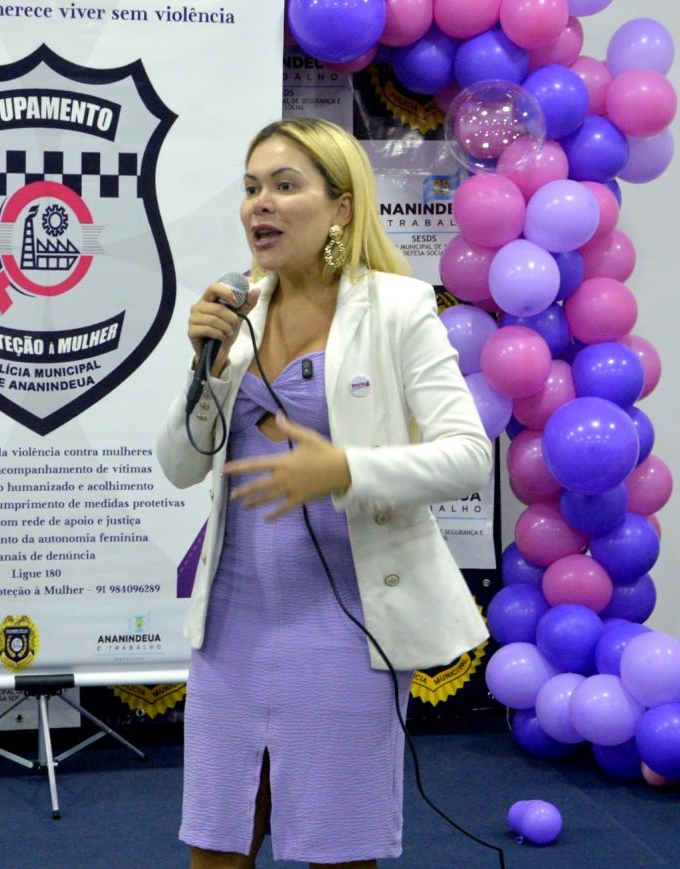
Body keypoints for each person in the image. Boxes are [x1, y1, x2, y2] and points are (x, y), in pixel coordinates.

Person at [155, 117, 490, 869]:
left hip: (347, 623)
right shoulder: (237, 313)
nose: (260, 204)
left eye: (285, 185)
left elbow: (469, 457)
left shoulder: (398, 308)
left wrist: (344, 469)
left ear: (341, 207)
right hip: (232, 624)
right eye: (251, 188)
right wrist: (205, 367)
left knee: (337, 850)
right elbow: (180, 465)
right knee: (215, 844)